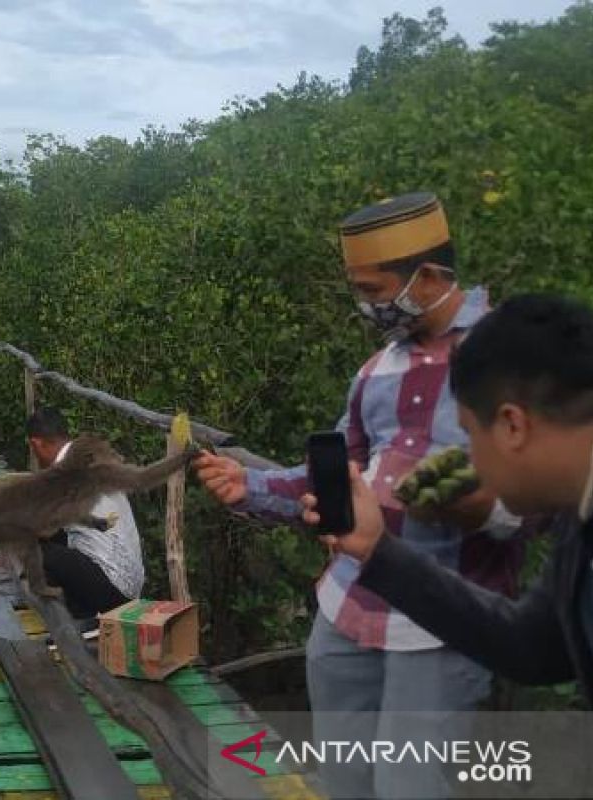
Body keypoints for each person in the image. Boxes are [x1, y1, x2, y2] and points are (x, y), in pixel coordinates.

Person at [194, 192, 528, 799]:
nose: (366, 307)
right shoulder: (376, 371)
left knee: (410, 786)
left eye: (374, 291)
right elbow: (343, 470)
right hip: (347, 608)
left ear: (426, 278)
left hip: (442, 623)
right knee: (342, 777)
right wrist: (253, 486)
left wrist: (480, 507)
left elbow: (543, 497)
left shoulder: (514, 357)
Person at [304, 293, 593, 705]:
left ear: (512, 425)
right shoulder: (577, 521)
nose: (471, 459)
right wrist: (377, 551)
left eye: (469, 435)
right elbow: (535, 647)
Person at [26, 407, 144, 619]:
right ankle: (80, 609)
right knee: (60, 538)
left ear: (36, 444)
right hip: (132, 584)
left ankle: (73, 616)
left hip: (113, 588)